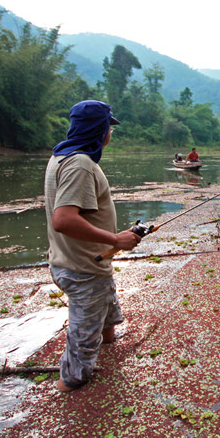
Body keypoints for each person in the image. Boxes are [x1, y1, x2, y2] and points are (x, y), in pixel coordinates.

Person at [44, 100, 142, 393]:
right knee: (81, 348)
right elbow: (63, 220)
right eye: (108, 127)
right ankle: (70, 388)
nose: (109, 133)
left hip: (84, 263)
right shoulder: (80, 165)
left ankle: (108, 343)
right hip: (83, 269)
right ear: (101, 131)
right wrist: (115, 239)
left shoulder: (61, 157)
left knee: (106, 317)